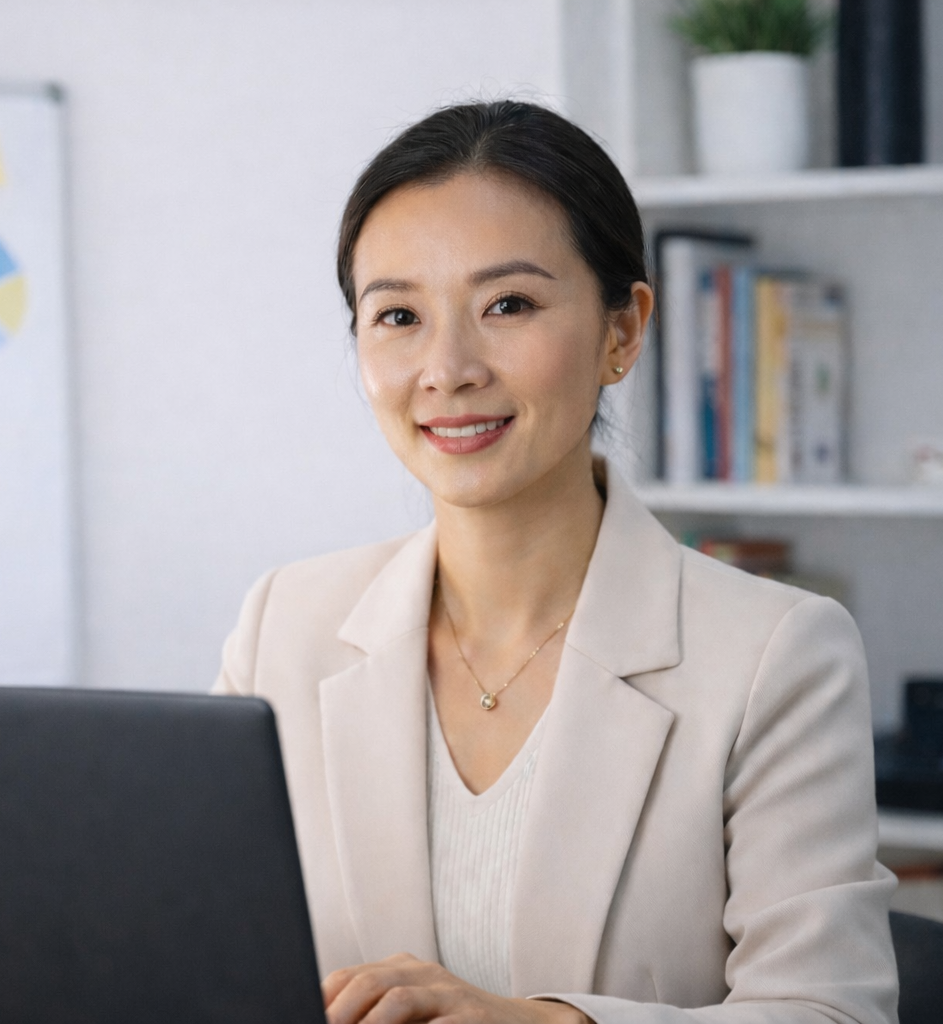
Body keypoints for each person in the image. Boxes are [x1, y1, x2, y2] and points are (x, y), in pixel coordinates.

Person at [212, 101, 898, 1024]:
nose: (447, 368)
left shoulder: (777, 655)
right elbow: (198, 956)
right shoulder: (283, 625)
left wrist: (549, 1023)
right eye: (399, 315)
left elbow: (834, 1013)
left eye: (509, 305)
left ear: (624, 331)